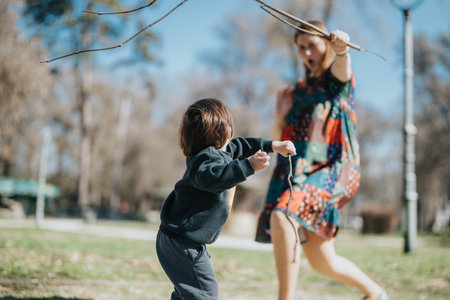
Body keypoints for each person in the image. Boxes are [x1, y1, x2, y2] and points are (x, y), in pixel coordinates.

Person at [255, 21, 388, 300]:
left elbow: (343, 70)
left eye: (312, 44)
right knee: (321, 260)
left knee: (283, 216)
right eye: (301, 47)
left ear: (325, 44)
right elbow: (282, 138)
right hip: (297, 172)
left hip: (330, 170)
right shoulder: (296, 91)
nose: (306, 52)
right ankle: (375, 294)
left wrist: (342, 50)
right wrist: (280, 115)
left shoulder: (335, 81)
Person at [156, 98, 296, 300]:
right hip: (182, 243)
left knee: (188, 294)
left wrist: (273, 146)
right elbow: (214, 177)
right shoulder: (205, 161)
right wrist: (248, 166)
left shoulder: (221, 152)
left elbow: (243, 145)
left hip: (179, 240)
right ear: (226, 132)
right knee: (206, 293)